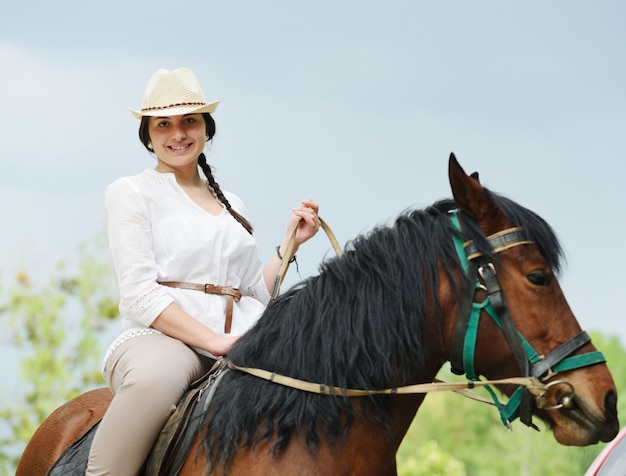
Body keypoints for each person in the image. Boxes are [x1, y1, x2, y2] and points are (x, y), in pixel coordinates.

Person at [86, 67, 321, 475]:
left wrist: (290, 244)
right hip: (163, 340)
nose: (178, 134)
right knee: (156, 381)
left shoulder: (232, 203)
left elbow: (251, 295)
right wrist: (215, 342)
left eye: (189, 121)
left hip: (237, 338)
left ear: (205, 128)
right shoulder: (131, 193)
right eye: (164, 124)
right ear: (148, 135)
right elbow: (140, 294)